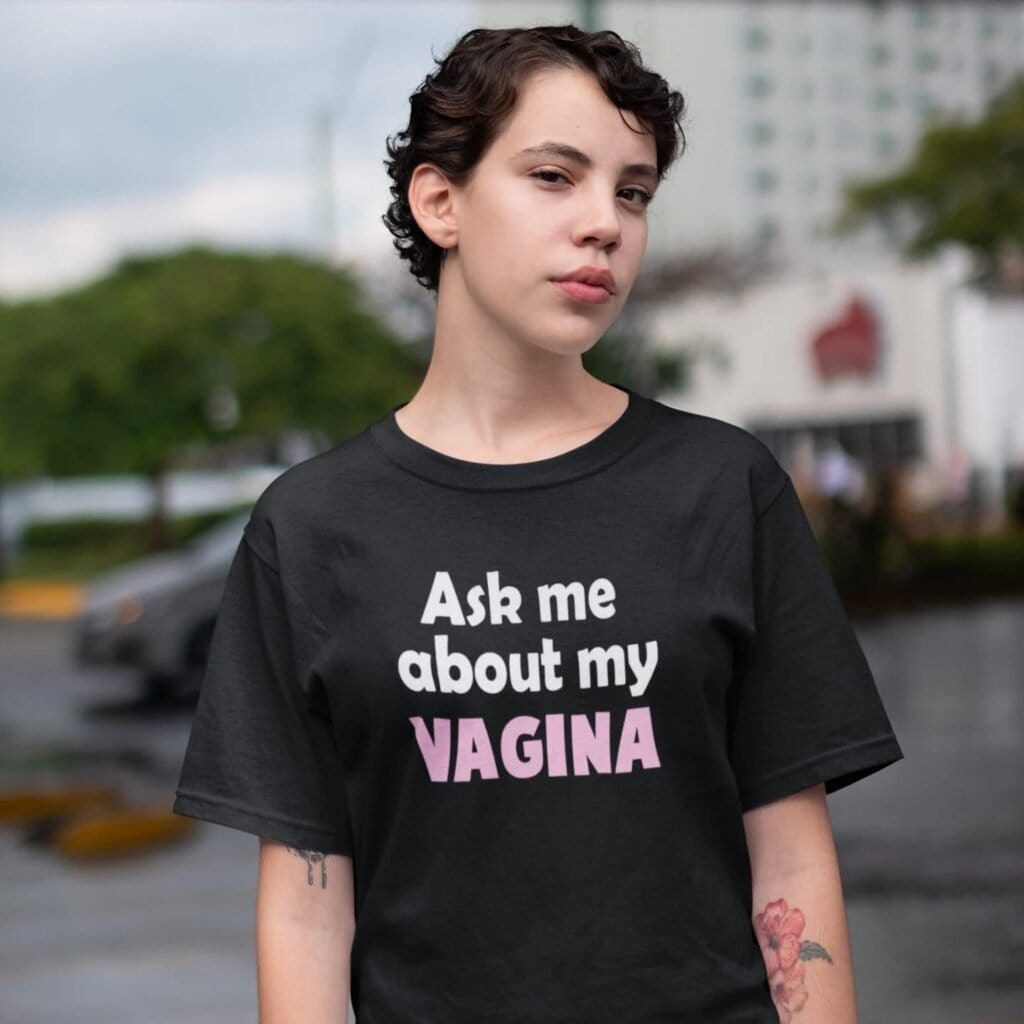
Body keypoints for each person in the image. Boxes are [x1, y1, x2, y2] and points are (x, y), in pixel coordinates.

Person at [173, 24, 904, 1023]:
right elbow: (306, 906)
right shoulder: (311, 528)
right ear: (440, 201)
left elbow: (788, 855)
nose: (604, 222)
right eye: (555, 177)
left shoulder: (722, 486)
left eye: (632, 191)